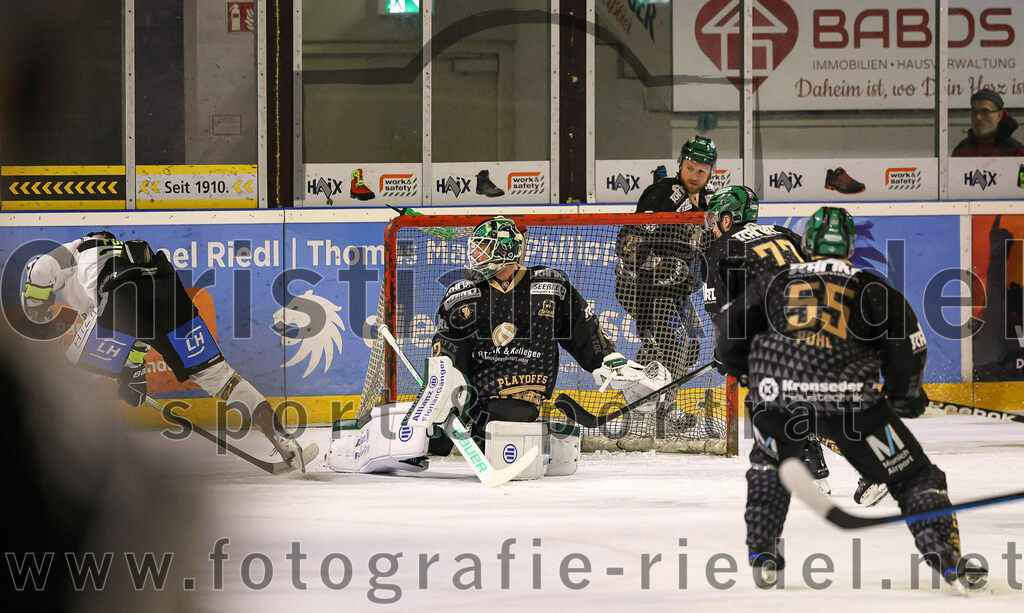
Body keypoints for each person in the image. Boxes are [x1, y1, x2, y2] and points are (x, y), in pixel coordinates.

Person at [717, 206, 986, 593]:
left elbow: (728, 338)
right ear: (850, 246)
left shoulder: (772, 285)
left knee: (769, 463)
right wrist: (904, 395)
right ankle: (946, 558)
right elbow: (907, 348)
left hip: (780, 406)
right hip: (853, 409)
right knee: (915, 476)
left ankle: (763, 555)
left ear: (807, 244)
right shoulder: (869, 286)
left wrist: (751, 377)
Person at [19, 231, 309, 471]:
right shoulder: (103, 257)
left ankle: (48, 463)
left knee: (68, 379)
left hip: (121, 296)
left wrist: (36, 308)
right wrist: (133, 370)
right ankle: (282, 439)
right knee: (220, 377)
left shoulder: (59, 257)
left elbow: (41, 274)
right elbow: (141, 327)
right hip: (166, 290)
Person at [430, 216, 662, 452]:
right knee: (430, 435)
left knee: (498, 433)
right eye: (476, 250)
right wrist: (440, 391)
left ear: (505, 252)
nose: (475, 257)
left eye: (483, 250)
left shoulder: (551, 285)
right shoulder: (461, 295)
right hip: (473, 388)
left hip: (519, 393)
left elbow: (582, 327)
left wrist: (607, 360)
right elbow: (448, 350)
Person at [702, 185, 833, 492]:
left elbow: (722, 314)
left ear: (727, 219)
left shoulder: (718, 251)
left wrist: (724, 355)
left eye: (714, 219)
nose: (711, 227)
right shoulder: (782, 232)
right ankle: (813, 466)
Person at [614, 136, 719, 376]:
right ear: (680, 164)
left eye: (701, 170)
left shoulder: (709, 202)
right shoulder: (663, 194)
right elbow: (627, 242)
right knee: (673, 348)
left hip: (672, 291)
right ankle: (651, 408)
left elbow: (711, 245)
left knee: (688, 350)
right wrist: (657, 264)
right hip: (639, 288)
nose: (694, 175)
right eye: (689, 167)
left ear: (711, 172)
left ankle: (647, 399)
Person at [952, 88, 1024, 157]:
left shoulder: (1016, 152)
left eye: (985, 112)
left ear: (999, 116)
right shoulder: (961, 150)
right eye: (974, 111)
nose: (978, 117)